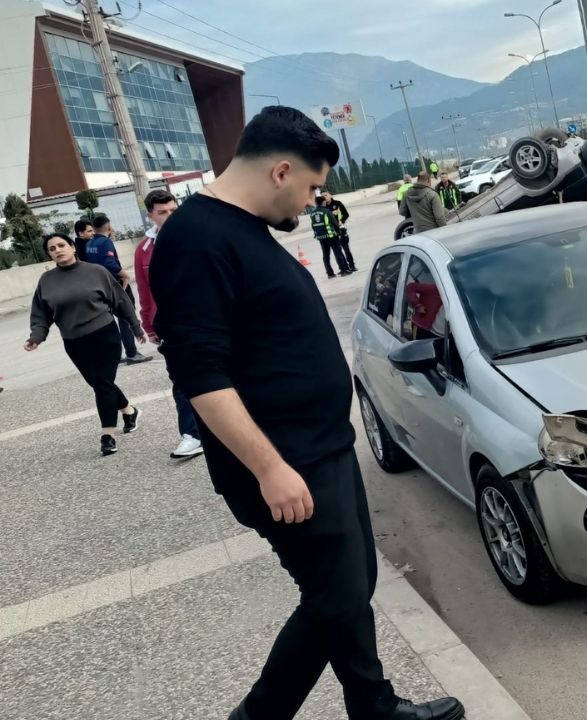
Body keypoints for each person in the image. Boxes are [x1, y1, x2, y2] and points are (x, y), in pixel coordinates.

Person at [149, 106, 463, 720]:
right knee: (334, 596)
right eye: (313, 187)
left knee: (351, 586)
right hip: (285, 463)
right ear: (281, 171)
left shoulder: (240, 228)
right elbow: (200, 376)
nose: (314, 202)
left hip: (321, 448)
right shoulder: (195, 240)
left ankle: (371, 705)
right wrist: (269, 469)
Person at [26, 233, 145, 456]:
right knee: (100, 383)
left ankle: (107, 435)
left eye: (61, 245)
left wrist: (136, 327)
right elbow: (41, 314)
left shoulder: (96, 272)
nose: (57, 250)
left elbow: (121, 301)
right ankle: (129, 411)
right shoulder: (47, 281)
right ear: (49, 255)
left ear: (72, 247)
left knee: (102, 383)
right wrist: (36, 337)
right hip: (74, 342)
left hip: (104, 336)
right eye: (52, 249)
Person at [134, 189, 203, 459]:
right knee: (181, 379)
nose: (170, 216)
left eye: (173, 210)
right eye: (162, 212)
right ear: (151, 215)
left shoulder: (198, 236)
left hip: (205, 318)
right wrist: (148, 324)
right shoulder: (144, 250)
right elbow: (144, 290)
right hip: (170, 325)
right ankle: (192, 434)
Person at [83, 215, 151, 365]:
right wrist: (124, 275)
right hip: (115, 285)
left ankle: (114, 355)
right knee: (126, 318)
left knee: (108, 321)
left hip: (99, 285)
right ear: (108, 226)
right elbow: (110, 263)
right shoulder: (105, 242)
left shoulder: (89, 244)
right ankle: (132, 353)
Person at [309, 199, 353, 278]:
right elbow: (334, 223)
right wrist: (339, 232)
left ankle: (330, 273)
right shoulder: (326, 211)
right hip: (331, 236)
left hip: (321, 237)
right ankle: (343, 270)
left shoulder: (312, 213)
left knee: (326, 255)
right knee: (338, 253)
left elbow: (313, 225)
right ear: (323, 202)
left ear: (316, 203)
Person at [320, 191, 357, 273]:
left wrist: (341, 222)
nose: (324, 197)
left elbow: (346, 214)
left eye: (326, 195)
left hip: (341, 229)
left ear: (330, 195)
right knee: (338, 251)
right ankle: (344, 267)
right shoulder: (323, 207)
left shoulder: (337, 203)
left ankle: (352, 265)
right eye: (322, 196)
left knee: (346, 248)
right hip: (332, 231)